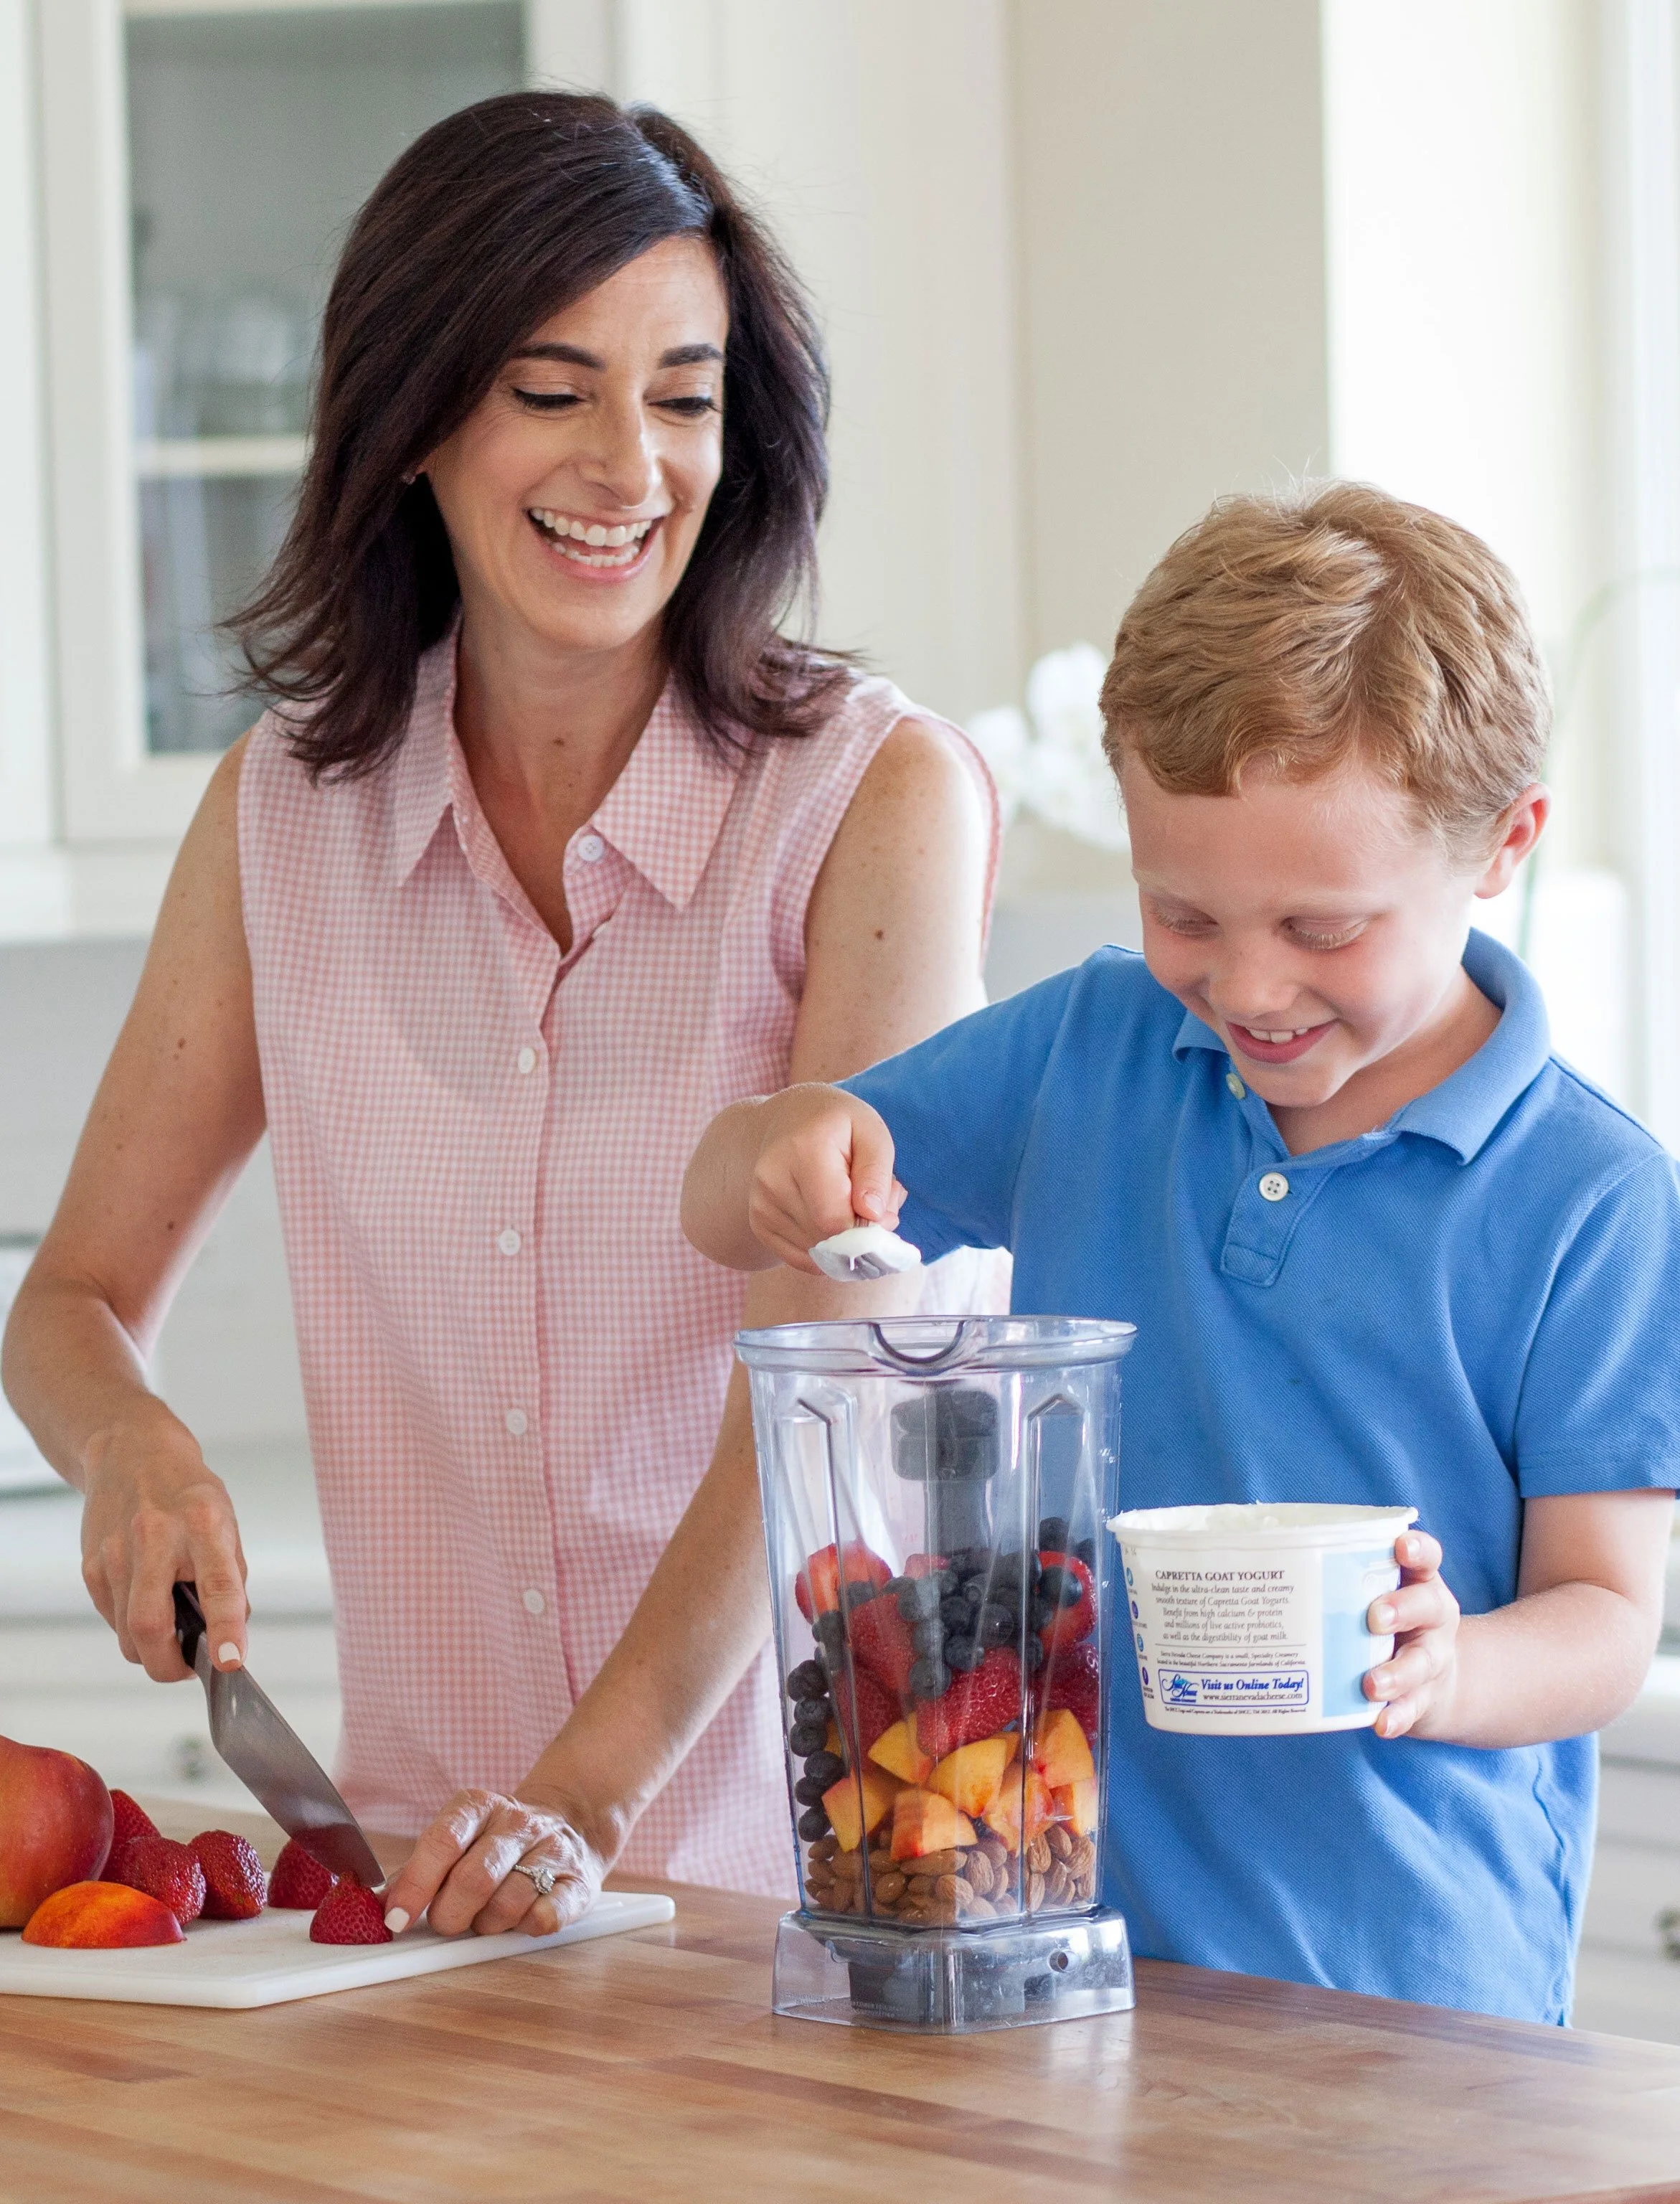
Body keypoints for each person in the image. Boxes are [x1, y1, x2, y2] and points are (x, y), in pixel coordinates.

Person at [1, 93, 999, 1939]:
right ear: (415, 422)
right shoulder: (284, 821)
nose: (630, 464)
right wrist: (135, 1448)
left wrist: (576, 1807)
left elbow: (819, 1386)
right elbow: (66, 1306)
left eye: (683, 397)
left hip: (817, 1885)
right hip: (427, 1899)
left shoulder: (873, 805)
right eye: (551, 390)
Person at [681, 481, 1680, 2023]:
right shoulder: (1096, 1047)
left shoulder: (1588, 1198)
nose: (1246, 985)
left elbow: (1607, 1619)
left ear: (1503, 848)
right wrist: (780, 1154)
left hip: (1417, 2000)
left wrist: (1451, 1667)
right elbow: (715, 1191)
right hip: (1074, 1961)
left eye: (1322, 928)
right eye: (1184, 911)